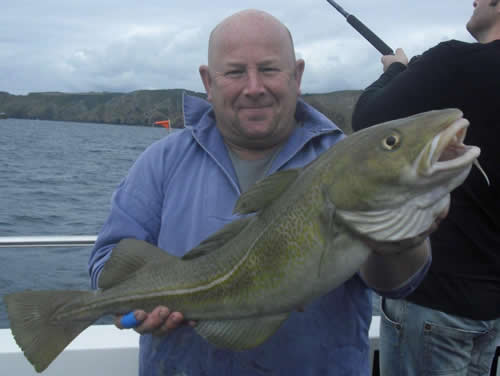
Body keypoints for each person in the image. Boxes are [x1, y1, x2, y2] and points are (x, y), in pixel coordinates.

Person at [89, 9, 439, 376]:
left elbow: (394, 284)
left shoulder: (348, 158)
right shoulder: (160, 161)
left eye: (269, 69)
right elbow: (109, 260)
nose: (254, 87)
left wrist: (403, 240)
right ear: (208, 82)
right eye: (235, 71)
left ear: (296, 75)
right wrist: (131, 302)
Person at [351, 1, 500, 375]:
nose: (474, 1)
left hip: (434, 300)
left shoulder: (455, 61)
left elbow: (368, 121)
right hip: (491, 309)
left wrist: (395, 71)